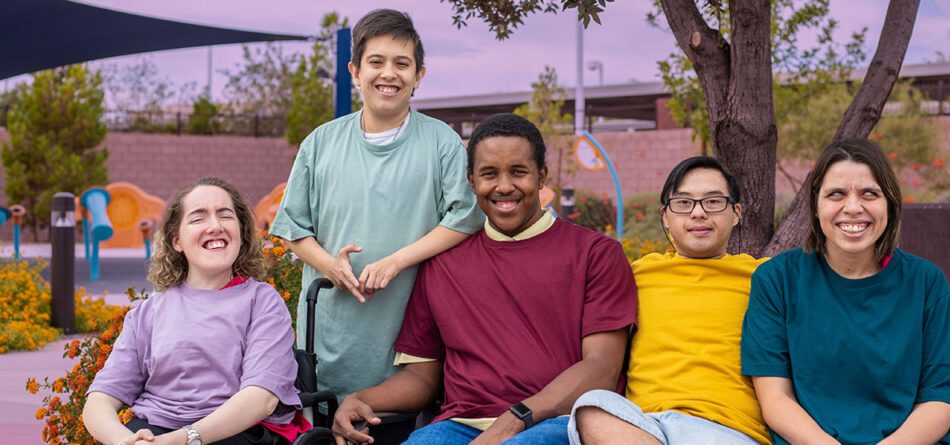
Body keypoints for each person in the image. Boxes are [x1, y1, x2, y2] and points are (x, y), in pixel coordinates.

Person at [332, 113, 638, 445]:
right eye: (489, 174)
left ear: (542, 177)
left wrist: (513, 421)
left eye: (518, 172)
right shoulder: (442, 264)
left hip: (558, 422)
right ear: (472, 181)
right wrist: (362, 399)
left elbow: (602, 368)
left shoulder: (596, 253)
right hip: (457, 427)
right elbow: (422, 376)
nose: (504, 186)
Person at [269, 9, 483, 401]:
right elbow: (293, 228)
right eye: (376, 62)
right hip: (330, 331)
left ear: (419, 75)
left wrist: (397, 261)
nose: (389, 73)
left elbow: (465, 217)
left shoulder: (442, 143)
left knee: (396, 421)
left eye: (402, 64)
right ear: (354, 71)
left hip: (408, 334)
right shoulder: (321, 143)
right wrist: (331, 265)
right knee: (325, 417)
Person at [741, 139, 950, 444]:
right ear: (816, 206)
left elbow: (938, 404)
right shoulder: (777, 280)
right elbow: (776, 400)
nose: (853, 208)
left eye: (869, 194)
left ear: (890, 204)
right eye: (836, 194)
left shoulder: (926, 283)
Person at [83, 177, 308, 445]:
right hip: (154, 430)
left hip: (235, 432)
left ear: (241, 233)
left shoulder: (262, 302)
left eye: (225, 216)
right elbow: (100, 398)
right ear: (177, 241)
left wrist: (181, 440)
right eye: (198, 218)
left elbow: (262, 398)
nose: (215, 226)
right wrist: (124, 441)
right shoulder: (148, 312)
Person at [570, 156, 769, 445]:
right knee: (590, 406)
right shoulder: (636, 275)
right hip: (645, 426)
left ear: (736, 212)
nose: (698, 213)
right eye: (683, 203)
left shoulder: (764, 277)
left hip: (723, 428)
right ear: (665, 215)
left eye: (713, 202)